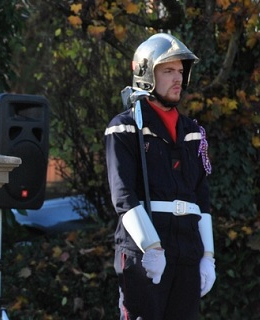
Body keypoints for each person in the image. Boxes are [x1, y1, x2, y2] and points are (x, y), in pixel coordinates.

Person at [104, 33, 216, 319]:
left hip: (187, 248)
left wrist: (208, 256)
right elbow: (123, 196)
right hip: (145, 250)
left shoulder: (192, 132)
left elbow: (201, 198)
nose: (177, 78)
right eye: (168, 70)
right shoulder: (125, 128)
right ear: (145, 73)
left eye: (180, 71)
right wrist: (151, 247)